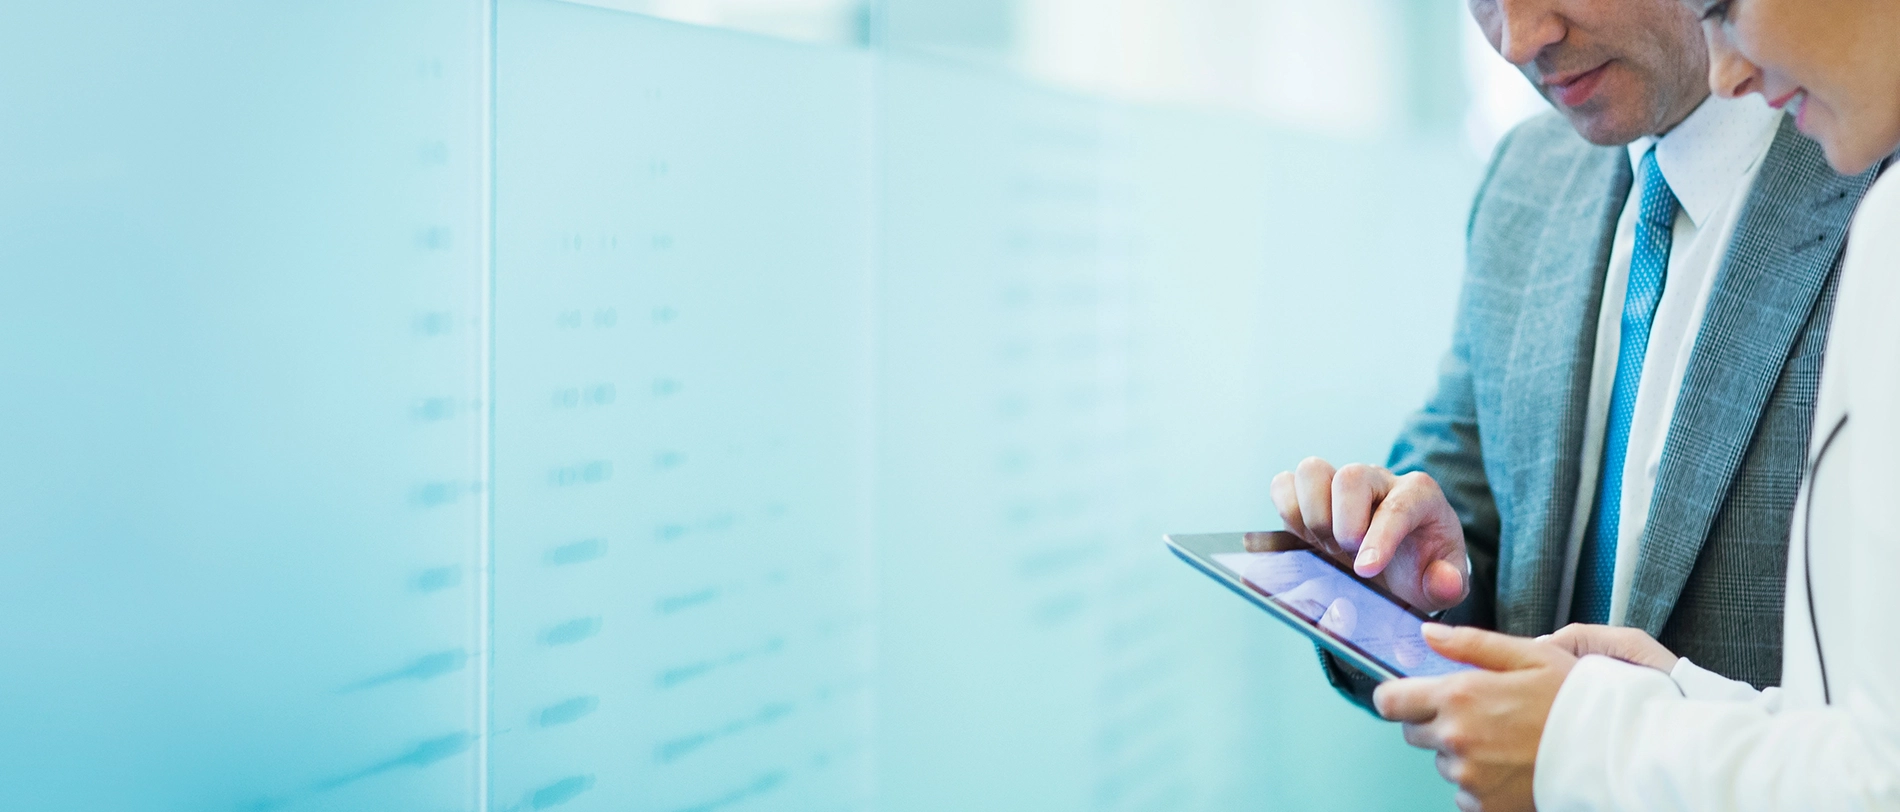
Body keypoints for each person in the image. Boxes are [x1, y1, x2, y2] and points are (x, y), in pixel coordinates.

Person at [1271, 0, 1881, 732]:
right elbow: (1462, 490)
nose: (1519, 41)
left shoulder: (1874, 152)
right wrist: (1390, 579)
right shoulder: (1526, 177)